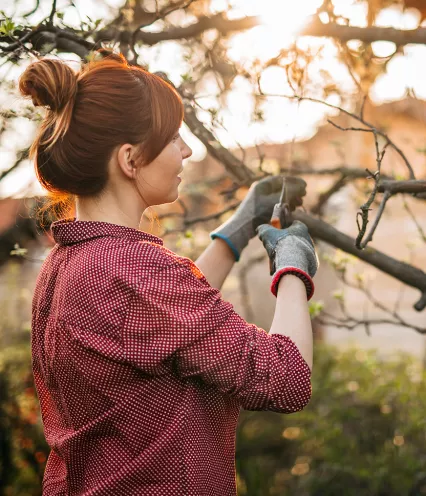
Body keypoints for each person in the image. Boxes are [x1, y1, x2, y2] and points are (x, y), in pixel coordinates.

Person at [21, 51, 319, 496]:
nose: (187, 150)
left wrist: (236, 231)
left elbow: (162, 326)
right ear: (130, 159)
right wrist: (294, 267)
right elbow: (286, 379)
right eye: (173, 137)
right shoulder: (133, 270)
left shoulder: (69, 262)